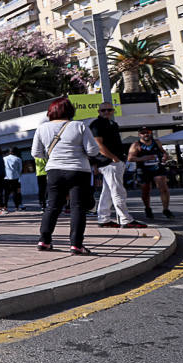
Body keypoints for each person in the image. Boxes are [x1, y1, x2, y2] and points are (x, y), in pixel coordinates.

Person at [33, 96, 123, 255]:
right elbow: (93, 151)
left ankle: (44, 240)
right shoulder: (79, 126)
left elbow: (36, 153)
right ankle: (76, 244)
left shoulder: (42, 128)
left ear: (51, 111)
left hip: (54, 170)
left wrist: (53, 155)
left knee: (52, 206)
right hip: (78, 170)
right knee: (77, 207)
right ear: (70, 110)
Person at [90, 102, 145, 229]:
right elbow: (98, 145)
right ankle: (126, 219)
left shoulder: (113, 124)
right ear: (99, 112)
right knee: (118, 191)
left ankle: (103, 218)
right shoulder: (96, 124)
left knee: (108, 192)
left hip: (114, 162)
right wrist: (113, 158)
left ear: (113, 111)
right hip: (109, 162)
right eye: (103, 110)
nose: (106, 112)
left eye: (109, 110)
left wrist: (120, 159)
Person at [128, 128, 172, 219]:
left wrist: (165, 156)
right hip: (144, 170)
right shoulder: (136, 145)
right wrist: (143, 158)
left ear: (150, 133)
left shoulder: (156, 142)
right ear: (139, 135)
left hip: (157, 167)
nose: (146, 135)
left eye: (147, 132)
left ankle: (166, 209)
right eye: (143, 133)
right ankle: (147, 208)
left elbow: (163, 152)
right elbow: (130, 158)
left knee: (163, 187)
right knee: (146, 190)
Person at [2, 147, 23, 212]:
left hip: (6, 177)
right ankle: (16, 207)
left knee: (6, 193)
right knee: (15, 193)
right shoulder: (18, 159)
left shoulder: (4, 158)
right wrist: (18, 175)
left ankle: (5, 207)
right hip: (15, 177)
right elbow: (20, 169)